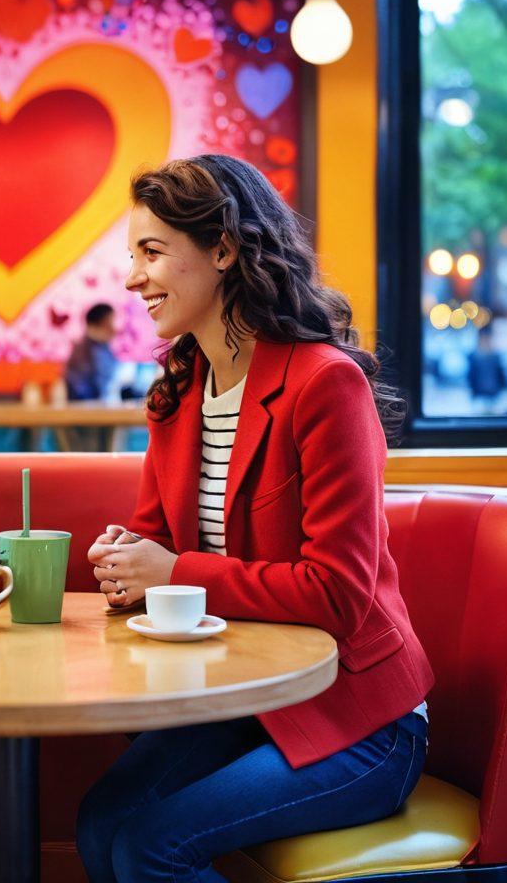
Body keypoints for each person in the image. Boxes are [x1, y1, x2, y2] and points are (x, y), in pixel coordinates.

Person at [77, 156, 432, 883]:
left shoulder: (324, 384)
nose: (133, 278)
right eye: (131, 256)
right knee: (100, 823)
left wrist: (173, 574)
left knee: (150, 847)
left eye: (151, 252)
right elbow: (158, 543)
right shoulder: (177, 394)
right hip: (241, 702)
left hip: (361, 720)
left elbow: (337, 594)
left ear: (223, 249)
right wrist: (126, 562)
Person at [64, 302, 119, 401]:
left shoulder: (103, 347)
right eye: (110, 322)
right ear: (98, 324)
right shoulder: (83, 352)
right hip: (88, 411)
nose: (114, 328)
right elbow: (81, 391)